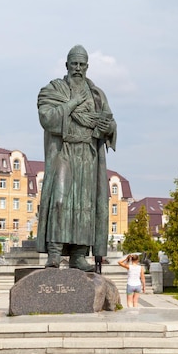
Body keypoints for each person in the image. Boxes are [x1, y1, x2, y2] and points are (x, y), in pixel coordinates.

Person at [36, 45, 117, 271]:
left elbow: (109, 122)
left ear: (87, 66)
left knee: (85, 206)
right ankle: (54, 253)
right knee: (60, 201)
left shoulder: (97, 95)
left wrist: (107, 127)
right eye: (74, 64)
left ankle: (78, 257)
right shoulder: (54, 89)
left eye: (82, 64)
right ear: (67, 65)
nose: (78, 68)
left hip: (87, 156)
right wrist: (72, 103)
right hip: (64, 152)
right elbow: (48, 119)